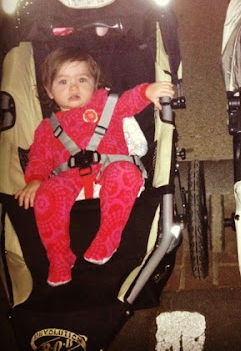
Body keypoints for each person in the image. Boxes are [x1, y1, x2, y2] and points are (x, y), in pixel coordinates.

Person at [15, 47, 175, 287]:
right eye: (63, 82)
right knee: (46, 194)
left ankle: (108, 237)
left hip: (109, 172)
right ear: (49, 91)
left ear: (95, 84)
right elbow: (39, 157)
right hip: (68, 180)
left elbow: (128, 102)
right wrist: (35, 179)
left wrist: (146, 91)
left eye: (82, 80)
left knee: (126, 173)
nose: (73, 87)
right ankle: (59, 257)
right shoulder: (47, 128)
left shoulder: (105, 103)